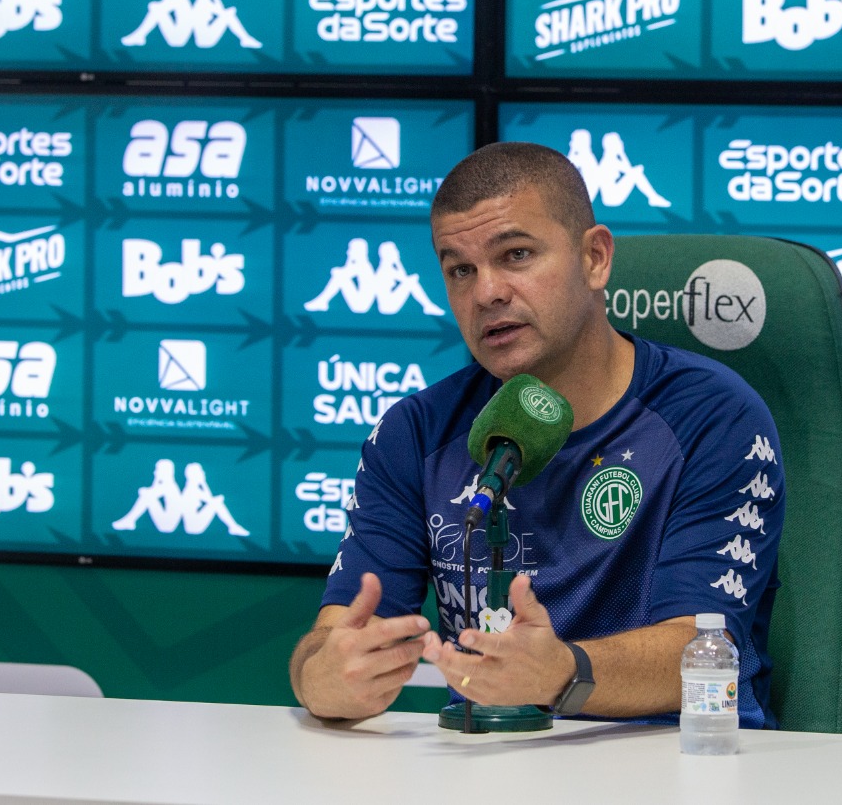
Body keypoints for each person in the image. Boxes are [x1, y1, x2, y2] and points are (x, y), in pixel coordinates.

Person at [289, 143, 785, 725]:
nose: (486, 293)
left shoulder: (713, 416)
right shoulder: (416, 433)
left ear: (595, 258)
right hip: (491, 765)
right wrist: (322, 679)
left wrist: (560, 671)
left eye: (516, 254)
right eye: (460, 269)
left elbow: (704, 648)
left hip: (678, 764)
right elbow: (334, 637)